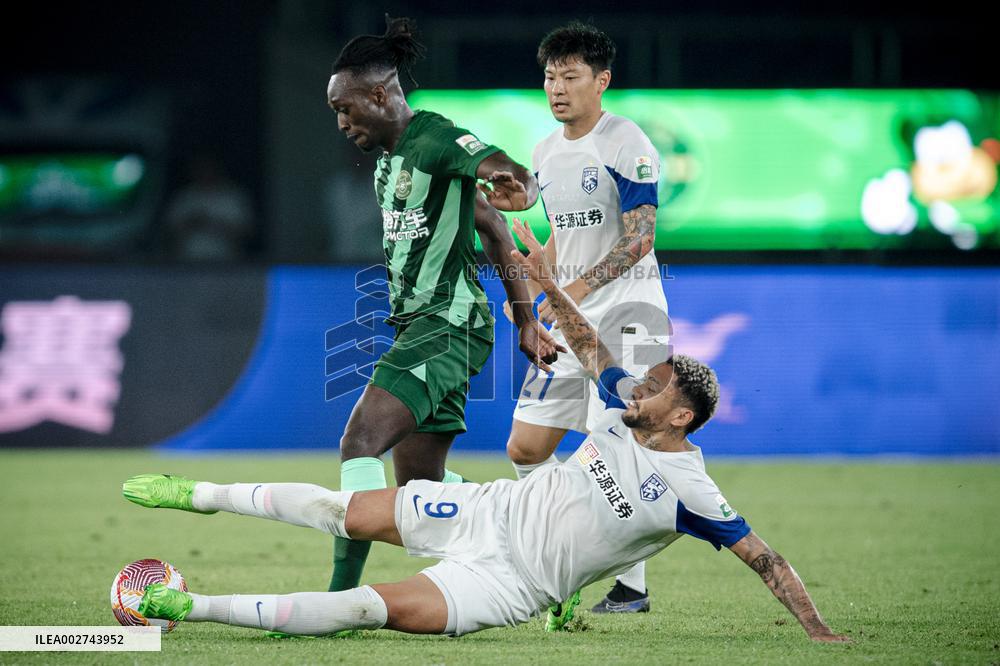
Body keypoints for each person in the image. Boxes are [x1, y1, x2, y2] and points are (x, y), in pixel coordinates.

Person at [121, 219, 848, 643]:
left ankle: (189, 607)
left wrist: (817, 630)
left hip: (508, 583)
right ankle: (195, 491)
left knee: (366, 610)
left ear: (680, 417)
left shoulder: (693, 493)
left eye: (655, 385)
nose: (638, 383)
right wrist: (535, 281)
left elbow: (766, 559)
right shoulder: (624, 407)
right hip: (483, 510)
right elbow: (582, 334)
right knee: (339, 510)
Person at [321, 16, 561, 595]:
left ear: (380, 93)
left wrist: (515, 183)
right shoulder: (387, 161)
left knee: (359, 443)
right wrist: (525, 321)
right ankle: (538, 533)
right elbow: (493, 229)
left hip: (448, 325)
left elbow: (505, 175)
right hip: (425, 327)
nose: (342, 122)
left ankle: (336, 603)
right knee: (419, 492)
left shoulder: (435, 139)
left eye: (346, 108)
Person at [504, 21, 668, 620]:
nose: (556, 88)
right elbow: (564, 240)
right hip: (570, 322)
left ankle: (628, 586)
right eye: (549, 76)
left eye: (570, 76)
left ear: (602, 81)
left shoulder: (628, 142)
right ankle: (551, 549)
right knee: (525, 448)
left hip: (629, 318)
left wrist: (564, 289)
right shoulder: (546, 152)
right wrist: (533, 285)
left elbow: (639, 242)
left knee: (608, 448)